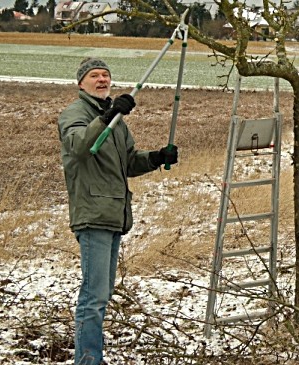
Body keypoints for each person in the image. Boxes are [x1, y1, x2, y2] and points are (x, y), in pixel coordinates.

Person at [57, 57, 179, 365]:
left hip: (113, 214)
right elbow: (81, 145)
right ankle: (87, 361)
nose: (102, 80)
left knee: (101, 294)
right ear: (80, 83)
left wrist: (156, 157)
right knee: (93, 297)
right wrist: (109, 115)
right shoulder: (75, 114)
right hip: (93, 213)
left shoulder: (116, 121)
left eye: (105, 75)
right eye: (94, 75)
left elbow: (128, 162)